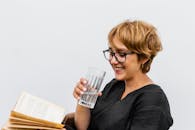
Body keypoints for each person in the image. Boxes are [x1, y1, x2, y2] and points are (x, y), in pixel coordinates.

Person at [64, 20, 173, 130]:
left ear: (144, 57)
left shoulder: (153, 99)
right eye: (111, 53)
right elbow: (82, 127)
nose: (113, 61)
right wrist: (83, 101)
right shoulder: (114, 86)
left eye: (121, 54)